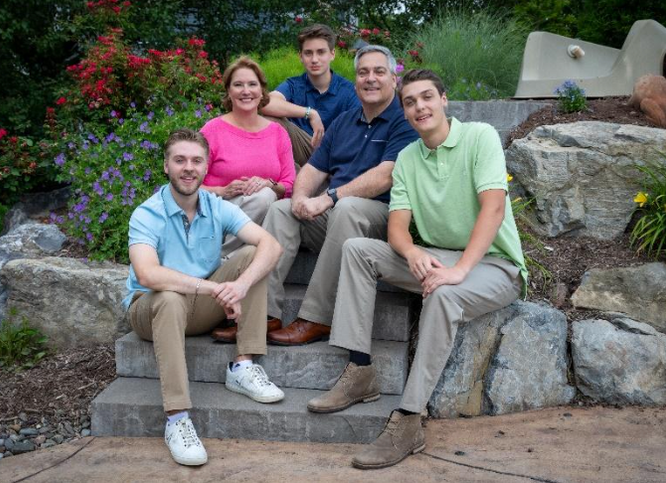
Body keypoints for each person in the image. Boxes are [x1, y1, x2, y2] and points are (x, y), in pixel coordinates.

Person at [306, 69, 528, 469]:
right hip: (437, 256)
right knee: (358, 248)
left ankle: (409, 418)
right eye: (409, 102)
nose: (419, 107)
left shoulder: (479, 137)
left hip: (494, 265)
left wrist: (459, 269)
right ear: (404, 111)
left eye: (427, 97)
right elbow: (396, 228)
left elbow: (493, 209)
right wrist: (411, 254)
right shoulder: (408, 156)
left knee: (444, 294)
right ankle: (360, 372)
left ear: (444, 100)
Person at [124, 128, 285, 466]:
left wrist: (240, 286)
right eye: (179, 160)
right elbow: (147, 274)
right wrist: (213, 288)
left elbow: (272, 245)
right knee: (168, 298)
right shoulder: (147, 213)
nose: (188, 167)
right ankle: (177, 418)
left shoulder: (215, 206)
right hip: (151, 309)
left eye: (196, 161)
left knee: (252, 256)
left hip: (198, 308)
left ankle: (243, 365)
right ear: (166, 166)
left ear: (206, 166)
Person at [262, 45, 418, 346]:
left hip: (381, 221)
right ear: (355, 79)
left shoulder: (405, 121)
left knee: (346, 207)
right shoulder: (345, 121)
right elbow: (312, 168)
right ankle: (262, 313)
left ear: (393, 80)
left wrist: (329, 197)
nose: (370, 78)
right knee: (281, 210)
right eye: (363, 73)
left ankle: (316, 317)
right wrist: (299, 196)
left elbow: (387, 174)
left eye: (378, 72)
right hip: (338, 220)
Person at [200, 56, 296, 258]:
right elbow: (189, 184)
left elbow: (289, 184)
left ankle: (228, 259)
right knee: (262, 199)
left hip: (266, 212)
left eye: (252, 84)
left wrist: (269, 184)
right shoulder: (212, 131)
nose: (246, 91)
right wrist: (222, 191)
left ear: (262, 91)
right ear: (229, 91)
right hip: (219, 211)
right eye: (238, 85)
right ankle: (220, 260)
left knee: (265, 197)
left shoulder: (277, 133)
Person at [261, 24, 360, 165]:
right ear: (300, 56)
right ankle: (296, 180)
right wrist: (310, 113)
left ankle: (304, 181)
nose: (314, 59)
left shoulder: (349, 91)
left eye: (321, 52)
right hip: (302, 150)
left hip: (334, 157)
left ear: (332, 54)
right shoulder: (294, 85)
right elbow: (265, 103)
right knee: (272, 122)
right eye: (308, 53)